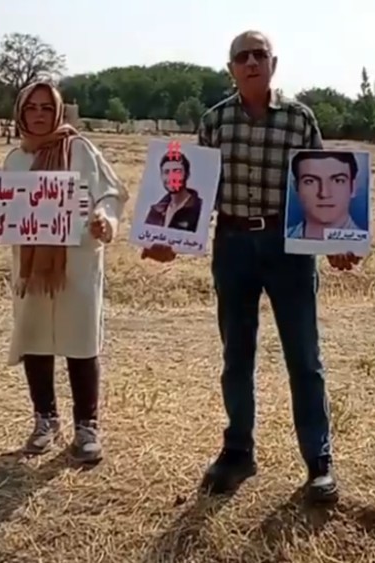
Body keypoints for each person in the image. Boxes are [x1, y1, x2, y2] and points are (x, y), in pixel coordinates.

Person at [141, 31, 360, 503]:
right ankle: (238, 451)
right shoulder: (214, 121)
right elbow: (191, 195)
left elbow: (323, 185)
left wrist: (338, 241)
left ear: (273, 63)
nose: (251, 61)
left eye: (259, 54)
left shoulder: (300, 119)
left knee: (304, 358)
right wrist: (169, 242)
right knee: (236, 355)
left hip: (289, 249)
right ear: (231, 68)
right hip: (234, 245)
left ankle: (318, 462)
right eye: (242, 56)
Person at [0, 83, 127, 462]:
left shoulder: (82, 150)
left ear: (58, 112)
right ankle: (45, 421)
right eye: (31, 108)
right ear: (21, 114)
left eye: (46, 107)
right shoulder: (14, 159)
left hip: (78, 261)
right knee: (35, 337)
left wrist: (106, 219)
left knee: (81, 341)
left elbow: (112, 193)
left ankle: (86, 428)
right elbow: (1, 205)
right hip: (30, 266)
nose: (38, 114)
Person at [286, 150, 362, 239]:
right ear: (296, 187)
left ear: (353, 187)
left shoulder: (361, 243)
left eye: (338, 181)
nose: (324, 194)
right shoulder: (283, 239)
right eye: (310, 181)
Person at [143, 150, 202, 232]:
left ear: (187, 174)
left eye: (176, 171)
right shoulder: (156, 211)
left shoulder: (200, 209)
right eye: (166, 172)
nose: (171, 177)